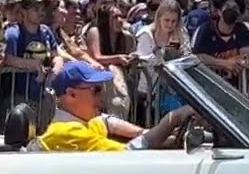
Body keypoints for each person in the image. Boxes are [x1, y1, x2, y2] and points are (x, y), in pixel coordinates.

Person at [30, 62, 194, 152]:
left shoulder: (87, 122)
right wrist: (172, 119)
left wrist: (153, 134)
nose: (102, 96)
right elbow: (129, 153)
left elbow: (108, 122)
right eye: (96, 90)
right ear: (72, 95)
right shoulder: (65, 131)